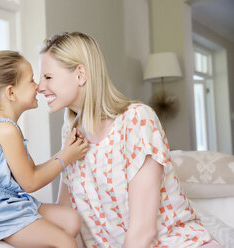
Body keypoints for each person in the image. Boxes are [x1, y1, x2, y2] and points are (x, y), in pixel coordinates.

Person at [38, 32, 220, 248]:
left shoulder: (137, 120)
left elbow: (143, 231)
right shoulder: (70, 132)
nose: (40, 87)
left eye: (47, 77)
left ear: (80, 75)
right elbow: (65, 213)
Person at [0, 50, 89, 248]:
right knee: (65, 243)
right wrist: (66, 158)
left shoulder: (0, 126)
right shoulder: (6, 130)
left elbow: (31, 172)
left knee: (71, 220)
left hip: (2, 204)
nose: (38, 87)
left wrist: (64, 152)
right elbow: (30, 183)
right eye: (32, 81)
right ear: (11, 92)